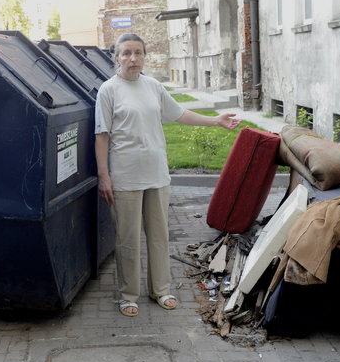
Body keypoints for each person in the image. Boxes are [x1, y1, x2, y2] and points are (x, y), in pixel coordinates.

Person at [95, 33, 241, 317]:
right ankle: (128, 294)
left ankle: (161, 290)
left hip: (157, 174)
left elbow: (179, 114)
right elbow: (101, 136)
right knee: (127, 239)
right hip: (125, 176)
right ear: (116, 58)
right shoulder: (108, 90)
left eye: (138, 52)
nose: (133, 58)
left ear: (145, 56)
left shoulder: (153, 86)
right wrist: (104, 175)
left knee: (159, 236)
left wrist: (216, 121)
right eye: (126, 53)